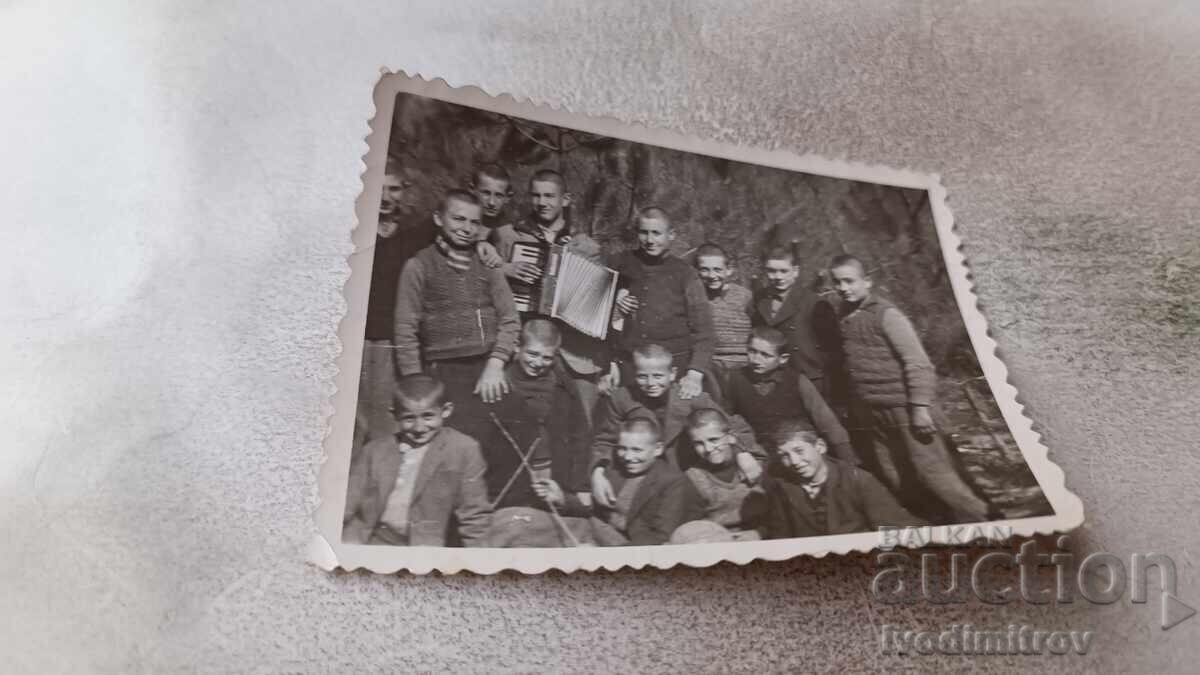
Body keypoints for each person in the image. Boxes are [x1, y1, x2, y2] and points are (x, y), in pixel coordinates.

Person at [829, 254, 995, 523]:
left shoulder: (887, 315)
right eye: (837, 282)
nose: (843, 288)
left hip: (906, 410)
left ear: (867, 281)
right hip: (874, 414)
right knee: (898, 477)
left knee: (938, 476)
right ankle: (939, 526)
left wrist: (919, 407)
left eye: (850, 281)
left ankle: (986, 522)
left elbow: (918, 363)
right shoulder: (844, 316)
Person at [393, 189, 521, 444]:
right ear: (439, 219)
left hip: (489, 368)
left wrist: (496, 364)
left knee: (520, 429)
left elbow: (510, 319)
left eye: (475, 222)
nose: (467, 228)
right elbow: (405, 331)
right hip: (444, 372)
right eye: (458, 219)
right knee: (460, 440)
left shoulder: (488, 264)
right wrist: (417, 387)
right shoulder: (418, 266)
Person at [489, 169, 610, 422]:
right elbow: (484, 279)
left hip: (572, 351)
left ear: (565, 199)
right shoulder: (507, 235)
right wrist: (506, 269)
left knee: (578, 422)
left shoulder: (586, 245)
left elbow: (599, 305)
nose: (541, 202)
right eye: (536, 195)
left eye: (549, 196)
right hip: (525, 347)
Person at [589, 345, 759, 510]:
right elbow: (605, 440)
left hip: (683, 477)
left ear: (672, 374)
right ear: (634, 374)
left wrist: (742, 452)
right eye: (642, 376)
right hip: (639, 476)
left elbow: (733, 427)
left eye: (658, 376)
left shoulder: (690, 397)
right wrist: (597, 473)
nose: (650, 383)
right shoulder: (622, 398)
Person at [479, 319, 594, 547]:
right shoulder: (501, 384)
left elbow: (580, 435)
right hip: (509, 474)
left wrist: (580, 485)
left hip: (552, 471)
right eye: (532, 354)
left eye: (547, 357)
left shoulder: (564, 386)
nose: (538, 362)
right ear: (517, 349)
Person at [342, 374, 491, 546]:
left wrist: (479, 559)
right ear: (395, 415)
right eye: (409, 418)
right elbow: (348, 502)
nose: (419, 428)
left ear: (446, 410)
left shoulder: (463, 449)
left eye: (428, 416)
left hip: (424, 546)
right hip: (373, 540)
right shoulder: (376, 450)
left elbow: (475, 514)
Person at [359, 167, 436, 441]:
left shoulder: (414, 232)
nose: (385, 197)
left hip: (389, 342)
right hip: (354, 338)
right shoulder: (355, 227)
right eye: (379, 188)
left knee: (384, 421)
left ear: (405, 191)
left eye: (393, 189)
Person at [609, 207, 716, 400]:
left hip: (673, 373)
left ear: (671, 235)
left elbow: (705, 331)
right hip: (630, 369)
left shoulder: (686, 275)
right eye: (644, 232)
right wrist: (614, 303)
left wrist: (694, 374)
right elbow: (595, 309)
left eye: (656, 233)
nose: (649, 240)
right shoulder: (620, 263)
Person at [757, 423, 925, 538]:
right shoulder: (782, 487)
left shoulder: (857, 479)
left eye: (799, 451)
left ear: (820, 447)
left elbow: (897, 528)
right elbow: (782, 536)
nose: (793, 461)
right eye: (784, 456)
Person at [721, 326, 856, 463]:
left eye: (765, 355)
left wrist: (848, 460)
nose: (756, 360)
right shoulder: (734, 379)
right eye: (752, 351)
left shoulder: (797, 381)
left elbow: (827, 422)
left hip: (796, 452)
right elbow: (724, 420)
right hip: (757, 454)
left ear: (783, 359)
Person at [662, 409, 769, 544]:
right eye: (699, 443)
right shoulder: (693, 478)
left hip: (761, 538)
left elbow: (779, 513)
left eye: (714, 440)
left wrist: (760, 533)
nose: (708, 448)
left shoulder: (755, 465)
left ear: (731, 437)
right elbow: (690, 527)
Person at [749, 244, 840, 400]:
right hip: (775, 378)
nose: (778, 277)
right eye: (772, 271)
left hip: (810, 378)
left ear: (795, 271)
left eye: (783, 271)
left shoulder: (815, 303)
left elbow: (833, 349)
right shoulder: (760, 299)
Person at [590, 418, 685, 546]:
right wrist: (562, 500)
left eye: (637, 450)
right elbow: (591, 505)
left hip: (631, 546)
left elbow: (661, 536)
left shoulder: (673, 482)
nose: (627, 457)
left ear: (658, 449)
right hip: (601, 531)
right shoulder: (616, 469)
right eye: (623, 448)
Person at [693, 242, 754, 379]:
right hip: (710, 365)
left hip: (743, 364)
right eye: (704, 269)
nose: (711, 275)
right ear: (696, 271)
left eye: (717, 269)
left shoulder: (745, 296)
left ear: (729, 270)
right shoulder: (695, 298)